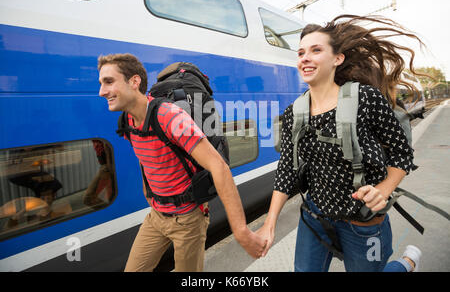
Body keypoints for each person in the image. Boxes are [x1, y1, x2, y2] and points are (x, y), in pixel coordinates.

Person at [257, 14, 427, 272]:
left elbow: (401, 154)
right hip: (315, 216)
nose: (305, 57)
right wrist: (270, 222)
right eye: (301, 52)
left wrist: (383, 188)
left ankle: (405, 264)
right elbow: (287, 168)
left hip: (362, 222)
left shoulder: (366, 99)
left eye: (316, 50)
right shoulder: (295, 111)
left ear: (337, 59)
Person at [98, 53, 266, 272]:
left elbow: (219, 166)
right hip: (156, 217)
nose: (102, 91)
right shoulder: (127, 121)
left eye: (109, 82)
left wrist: (241, 231)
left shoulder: (169, 116)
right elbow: (146, 160)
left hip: (187, 220)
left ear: (134, 81)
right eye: (101, 83)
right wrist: (149, 193)